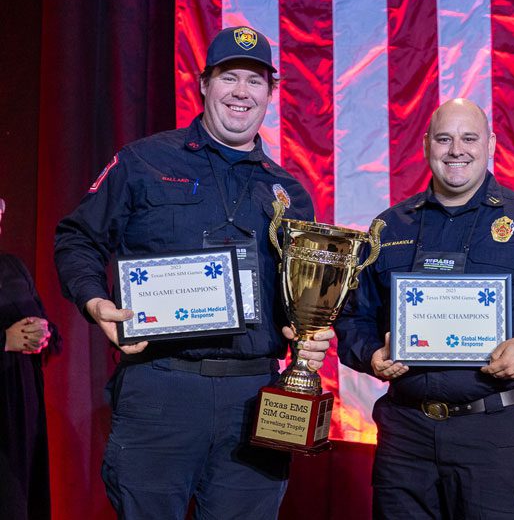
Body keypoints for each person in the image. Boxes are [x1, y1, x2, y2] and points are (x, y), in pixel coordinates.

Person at [54, 27, 332, 519]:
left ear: (271, 91)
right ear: (204, 83)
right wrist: (96, 304)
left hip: (254, 395)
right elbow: (77, 238)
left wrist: (305, 333)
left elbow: (300, 291)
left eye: (255, 80)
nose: (241, 92)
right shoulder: (143, 161)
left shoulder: (290, 192)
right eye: (229, 77)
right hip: (161, 387)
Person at [334, 98, 514, 519]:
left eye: (469, 138)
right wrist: (370, 355)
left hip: (498, 435)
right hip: (406, 438)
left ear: (490, 144)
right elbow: (353, 318)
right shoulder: (389, 228)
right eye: (444, 139)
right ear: (426, 146)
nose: (456, 149)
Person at [1, 197, 63, 520]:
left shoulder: (12, 267)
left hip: (22, 417)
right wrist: (5, 340)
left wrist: (44, 334)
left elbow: (46, 324)